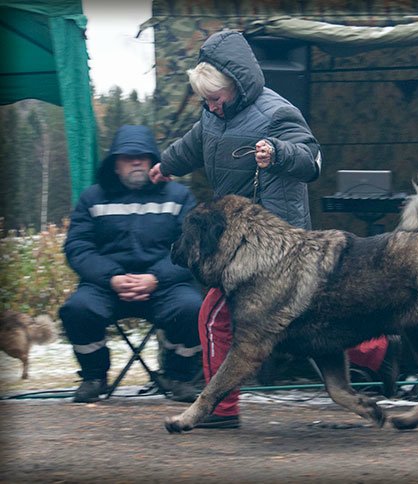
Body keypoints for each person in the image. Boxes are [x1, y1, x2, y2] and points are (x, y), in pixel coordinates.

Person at [149, 30, 397, 429]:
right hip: (237, 242)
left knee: (216, 319)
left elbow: (312, 161)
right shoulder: (213, 115)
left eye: (216, 98)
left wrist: (279, 153)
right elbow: (195, 145)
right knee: (313, 321)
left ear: (237, 84)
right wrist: (167, 165)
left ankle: (220, 410)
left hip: (277, 242)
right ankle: (375, 348)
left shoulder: (277, 112)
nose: (211, 107)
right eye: (206, 101)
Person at [60, 125, 203, 403]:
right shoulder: (92, 198)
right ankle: (94, 377)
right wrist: (111, 278)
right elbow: (77, 247)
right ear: (115, 164)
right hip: (106, 286)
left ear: (153, 161)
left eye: (143, 156)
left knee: (194, 309)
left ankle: (179, 376)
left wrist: (157, 278)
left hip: (165, 285)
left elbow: (194, 248)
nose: (136, 161)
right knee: (76, 309)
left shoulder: (179, 197)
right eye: (127, 156)